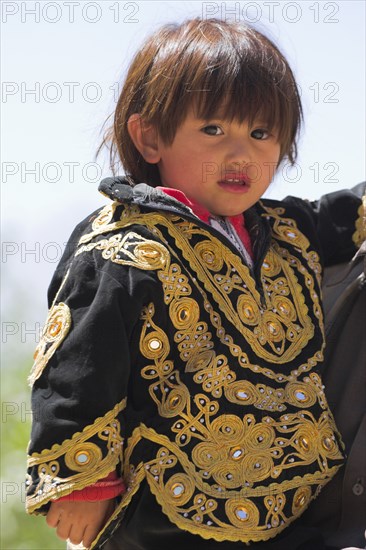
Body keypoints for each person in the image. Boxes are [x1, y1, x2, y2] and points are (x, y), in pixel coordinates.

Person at [25, 17, 365, 550]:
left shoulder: (287, 232)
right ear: (151, 137)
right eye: (214, 129)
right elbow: (78, 363)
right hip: (170, 513)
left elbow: (348, 213)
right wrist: (83, 485)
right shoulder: (124, 246)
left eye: (260, 133)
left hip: (292, 515)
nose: (241, 154)